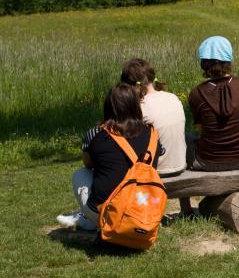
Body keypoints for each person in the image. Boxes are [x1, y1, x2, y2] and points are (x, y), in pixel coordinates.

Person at [57, 83, 164, 231]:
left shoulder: (95, 133)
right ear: (136, 106)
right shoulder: (153, 134)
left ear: (108, 107)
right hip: (144, 209)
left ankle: (92, 220)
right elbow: (160, 154)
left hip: (106, 212)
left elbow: (88, 164)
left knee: (80, 174)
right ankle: (90, 220)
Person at [187, 36, 239, 171]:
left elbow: (201, 130)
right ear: (229, 60)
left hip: (208, 161)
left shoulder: (197, 93)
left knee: (186, 138)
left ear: (204, 63)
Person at [121, 58, 186, 177]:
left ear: (132, 86)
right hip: (180, 163)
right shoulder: (172, 97)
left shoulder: (139, 106)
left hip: (156, 169)